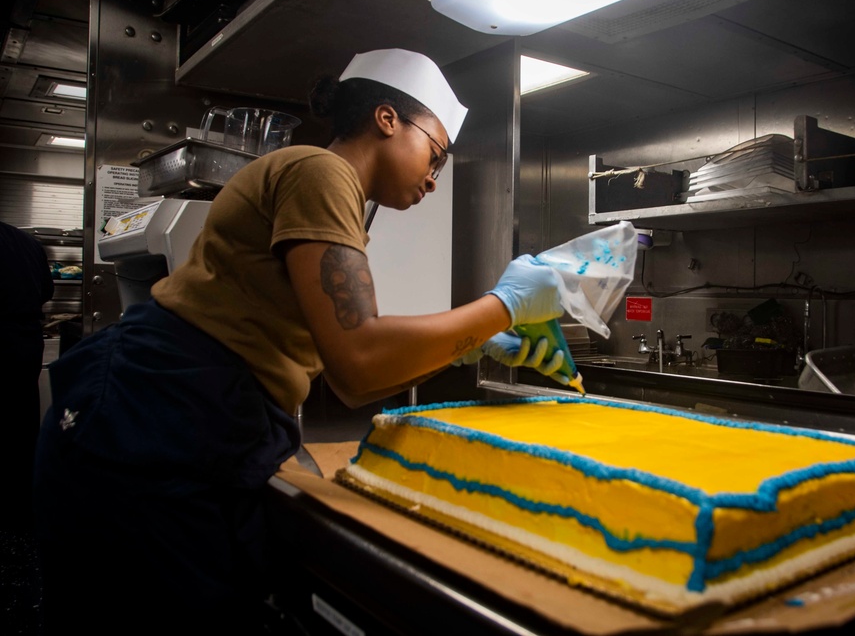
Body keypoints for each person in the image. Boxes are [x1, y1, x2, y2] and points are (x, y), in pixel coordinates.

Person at [34, 48, 568, 633]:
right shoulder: (321, 171)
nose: (434, 179)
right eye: (435, 153)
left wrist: (465, 344)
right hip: (152, 411)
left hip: (191, 411)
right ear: (387, 119)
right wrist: (502, 308)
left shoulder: (334, 191)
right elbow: (359, 361)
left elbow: (343, 364)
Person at [0, 221, 54, 532]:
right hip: (26, 343)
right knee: (20, 424)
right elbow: (47, 290)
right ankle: (21, 510)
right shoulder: (26, 242)